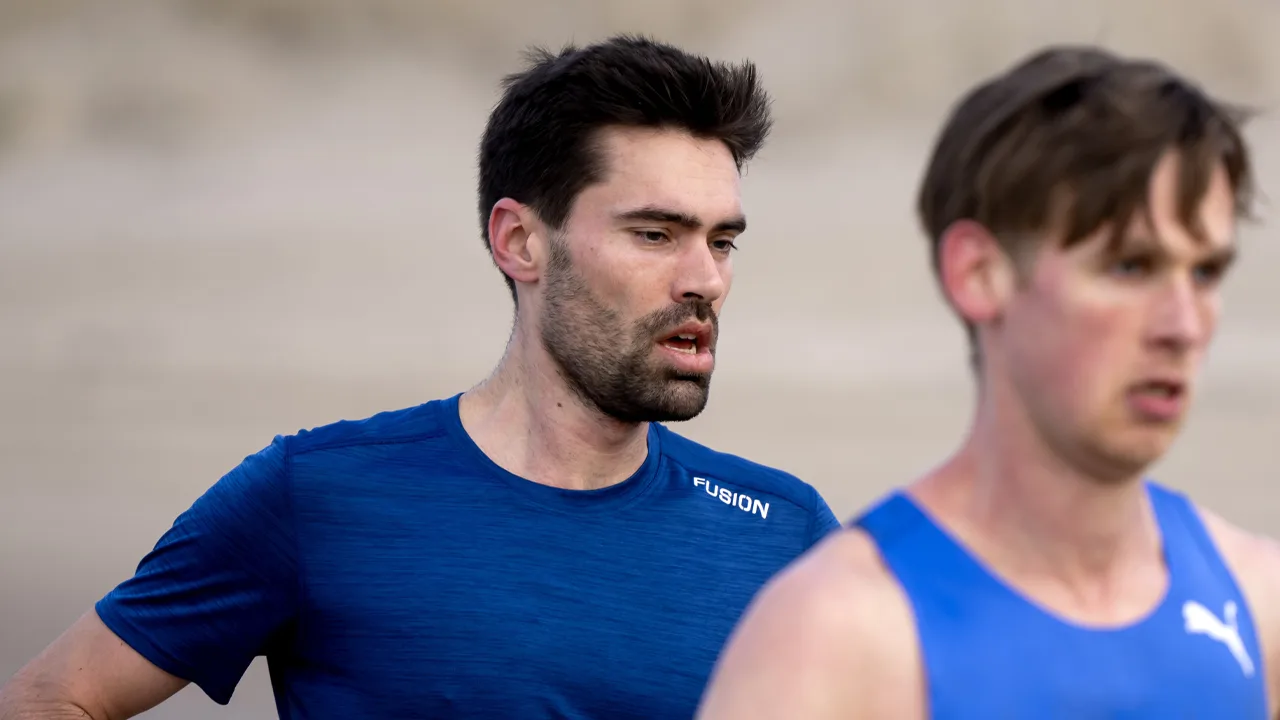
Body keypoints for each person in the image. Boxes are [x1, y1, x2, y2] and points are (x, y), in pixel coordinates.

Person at [0, 35, 840, 720]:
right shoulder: (317, 494)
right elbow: (54, 698)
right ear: (519, 241)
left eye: (721, 240)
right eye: (656, 234)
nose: (707, 279)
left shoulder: (783, 535)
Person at [695, 45, 1280, 719]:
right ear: (978, 274)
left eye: (1205, 273)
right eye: (1130, 267)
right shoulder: (837, 636)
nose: (1183, 325)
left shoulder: (1256, 598)